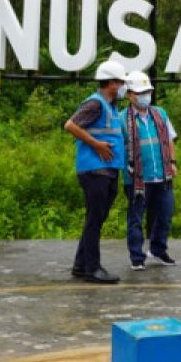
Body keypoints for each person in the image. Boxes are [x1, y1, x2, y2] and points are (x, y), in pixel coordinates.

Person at [62, 60, 127, 284]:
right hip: (95, 171)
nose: (124, 87)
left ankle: (81, 265)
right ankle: (92, 268)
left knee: (95, 219)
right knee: (94, 220)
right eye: (121, 82)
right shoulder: (95, 104)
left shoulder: (110, 106)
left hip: (107, 170)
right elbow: (70, 125)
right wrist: (96, 144)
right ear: (111, 83)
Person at [121, 70, 179, 271]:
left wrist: (172, 162)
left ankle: (158, 249)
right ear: (130, 94)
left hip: (162, 175)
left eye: (147, 91)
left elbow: (169, 139)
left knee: (165, 213)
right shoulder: (122, 119)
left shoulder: (160, 114)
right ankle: (137, 257)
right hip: (137, 179)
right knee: (136, 219)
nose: (145, 95)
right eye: (140, 92)